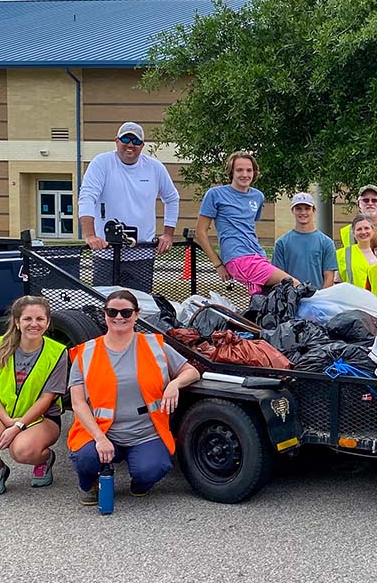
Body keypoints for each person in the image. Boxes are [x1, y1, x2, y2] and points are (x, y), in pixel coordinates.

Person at [68, 289, 200, 503]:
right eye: (112, 312)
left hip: (145, 431)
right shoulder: (86, 352)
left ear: (136, 315)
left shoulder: (154, 345)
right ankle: (92, 483)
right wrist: (100, 439)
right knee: (86, 459)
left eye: (126, 313)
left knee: (152, 468)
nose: (119, 317)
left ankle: (140, 484)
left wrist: (174, 384)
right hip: (102, 430)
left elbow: (191, 371)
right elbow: (78, 403)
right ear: (105, 315)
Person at [0, 296, 67, 496]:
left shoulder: (58, 353)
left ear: (47, 322)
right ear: (17, 322)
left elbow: (46, 398)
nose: (34, 324)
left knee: (21, 450)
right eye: (27, 319)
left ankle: (44, 460)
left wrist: (17, 427)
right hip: (2, 413)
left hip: (42, 418)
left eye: (40, 319)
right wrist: (6, 421)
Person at [78, 121, 180, 291]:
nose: (130, 145)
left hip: (142, 255)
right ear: (117, 141)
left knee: (140, 308)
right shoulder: (101, 163)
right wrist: (90, 235)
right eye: (126, 139)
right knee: (105, 306)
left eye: (136, 141)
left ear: (142, 145)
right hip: (107, 254)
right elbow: (87, 197)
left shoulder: (155, 168)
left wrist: (168, 234)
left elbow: (172, 198)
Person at [196, 152, 300, 295]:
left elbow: (248, 227)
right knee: (294, 285)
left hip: (258, 256)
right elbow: (200, 233)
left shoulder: (258, 196)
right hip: (238, 258)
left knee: (269, 300)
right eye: (239, 170)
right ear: (231, 172)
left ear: (254, 173)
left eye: (249, 170)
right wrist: (218, 264)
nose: (245, 174)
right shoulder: (215, 194)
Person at [272, 192, 338, 290]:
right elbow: (278, 277)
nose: (303, 213)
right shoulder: (282, 243)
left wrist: (321, 298)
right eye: (298, 208)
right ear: (292, 211)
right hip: (291, 300)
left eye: (307, 208)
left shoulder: (326, 243)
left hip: (316, 300)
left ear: (314, 210)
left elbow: (329, 277)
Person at [336, 214, 377, 287]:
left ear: (373, 230)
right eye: (359, 229)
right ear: (353, 233)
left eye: (366, 228)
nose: (363, 232)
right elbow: (336, 282)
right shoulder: (341, 254)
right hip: (351, 297)